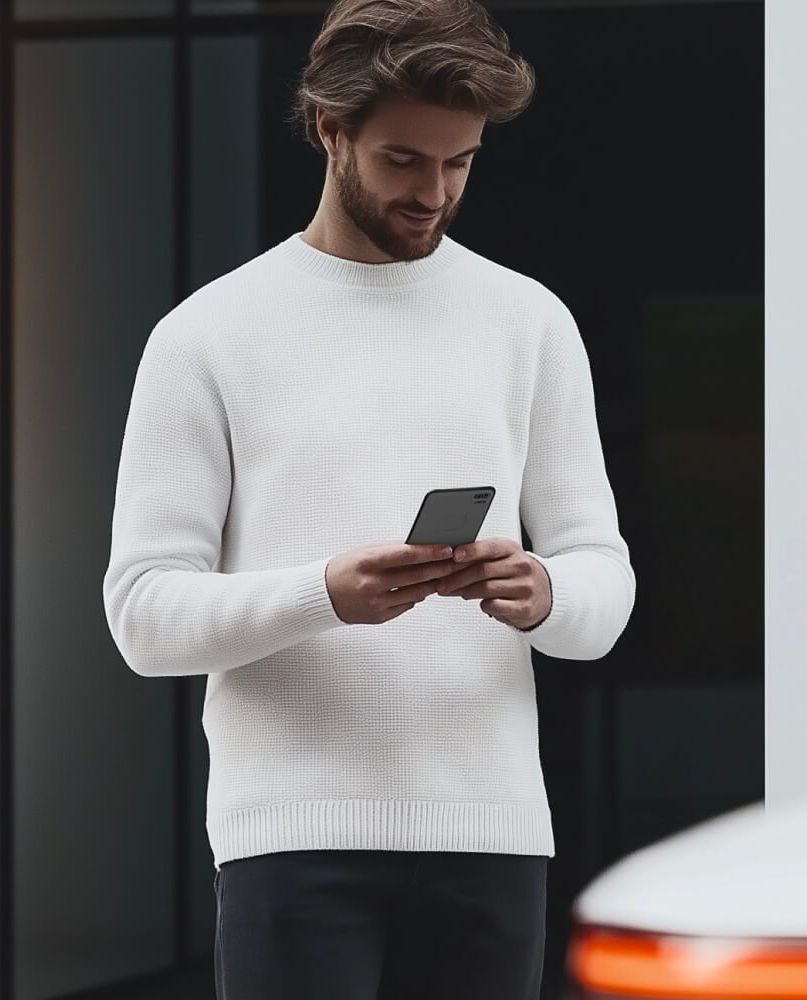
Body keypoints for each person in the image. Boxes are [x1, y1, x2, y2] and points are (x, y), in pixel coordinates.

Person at [99, 0, 635, 995]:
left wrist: (544, 591)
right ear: (329, 130)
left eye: (461, 162)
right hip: (289, 843)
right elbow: (142, 616)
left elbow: (601, 583)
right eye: (403, 160)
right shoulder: (207, 336)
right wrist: (323, 593)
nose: (434, 192)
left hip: (492, 831)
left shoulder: (528, 323)